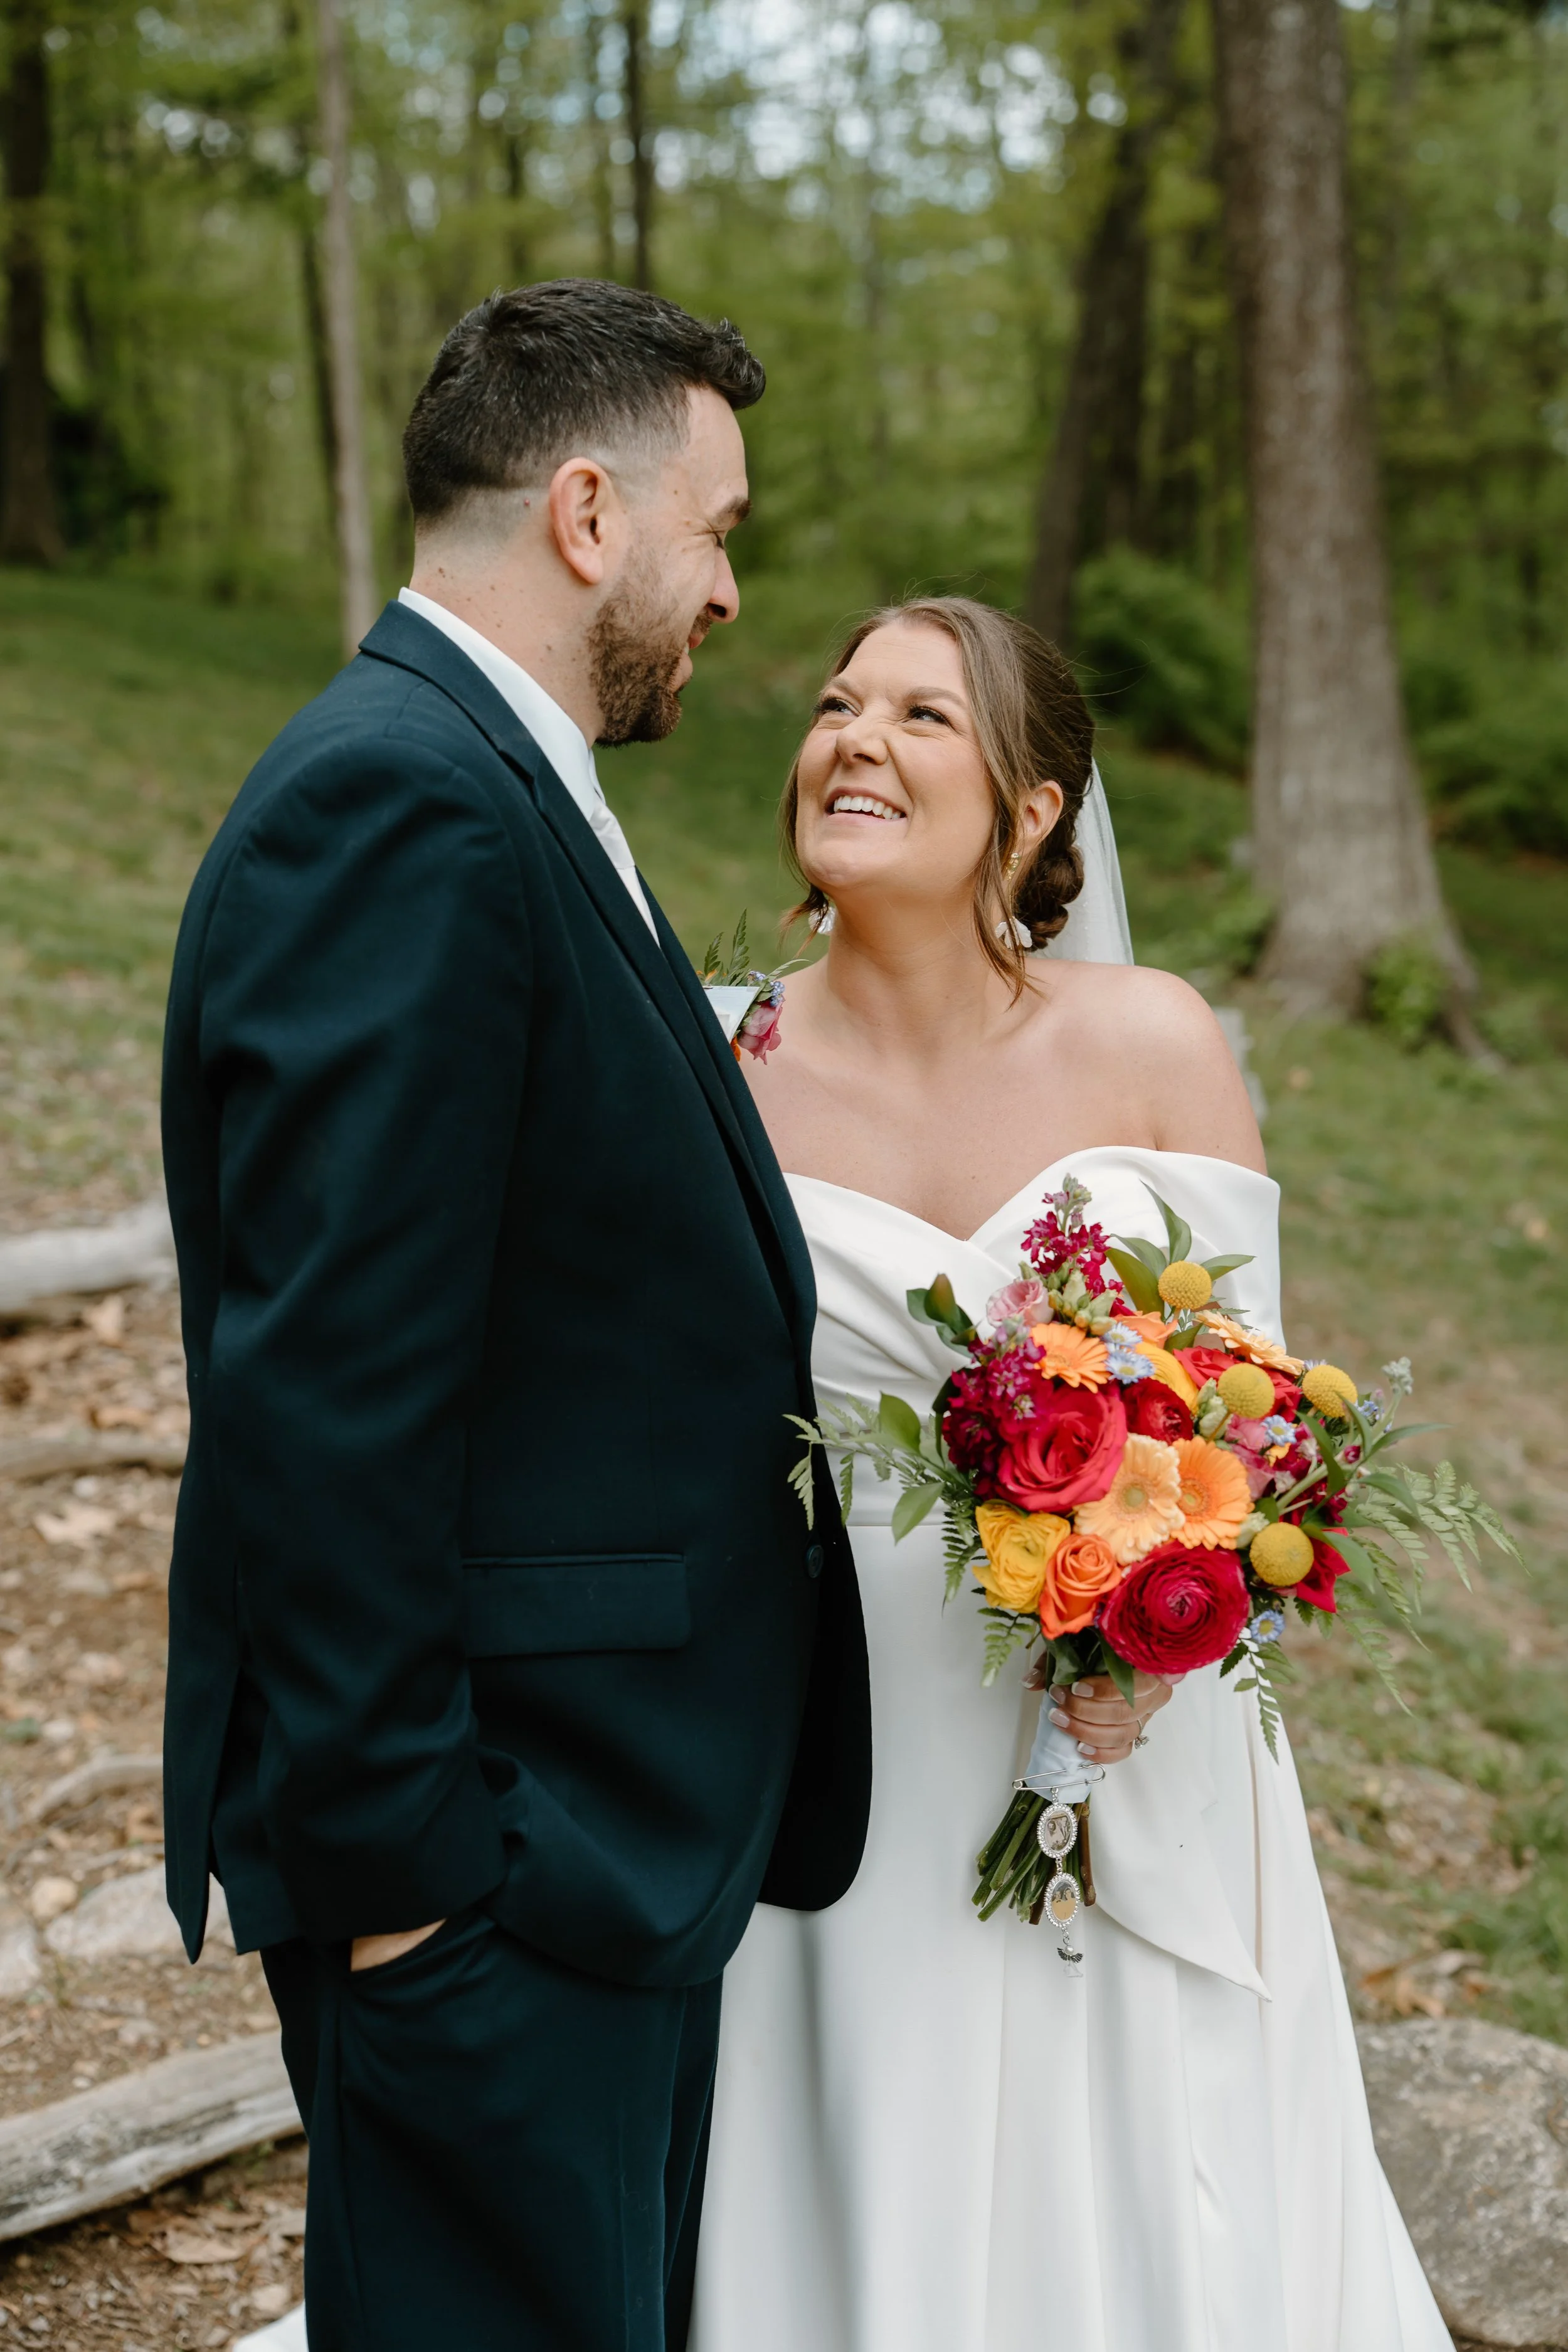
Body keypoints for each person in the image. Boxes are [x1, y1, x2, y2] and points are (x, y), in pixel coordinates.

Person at [159, 280, 871, 2352]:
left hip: (589, 1839)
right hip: (489, 1866)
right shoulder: (400, 802)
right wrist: (418, 1880)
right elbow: (327, 1388)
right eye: (715, 527)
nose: (730, 588)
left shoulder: (498, 777)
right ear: (587, 513)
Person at [688, 596, 1452, 2352]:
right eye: (831, 703)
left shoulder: (1156, 1039)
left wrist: (1146, 1632)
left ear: (1032, 808)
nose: (852, 738)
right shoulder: (720, 1062)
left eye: (919, 715)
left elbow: (1259, 1424)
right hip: (842, 1715)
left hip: (1140, 1712)